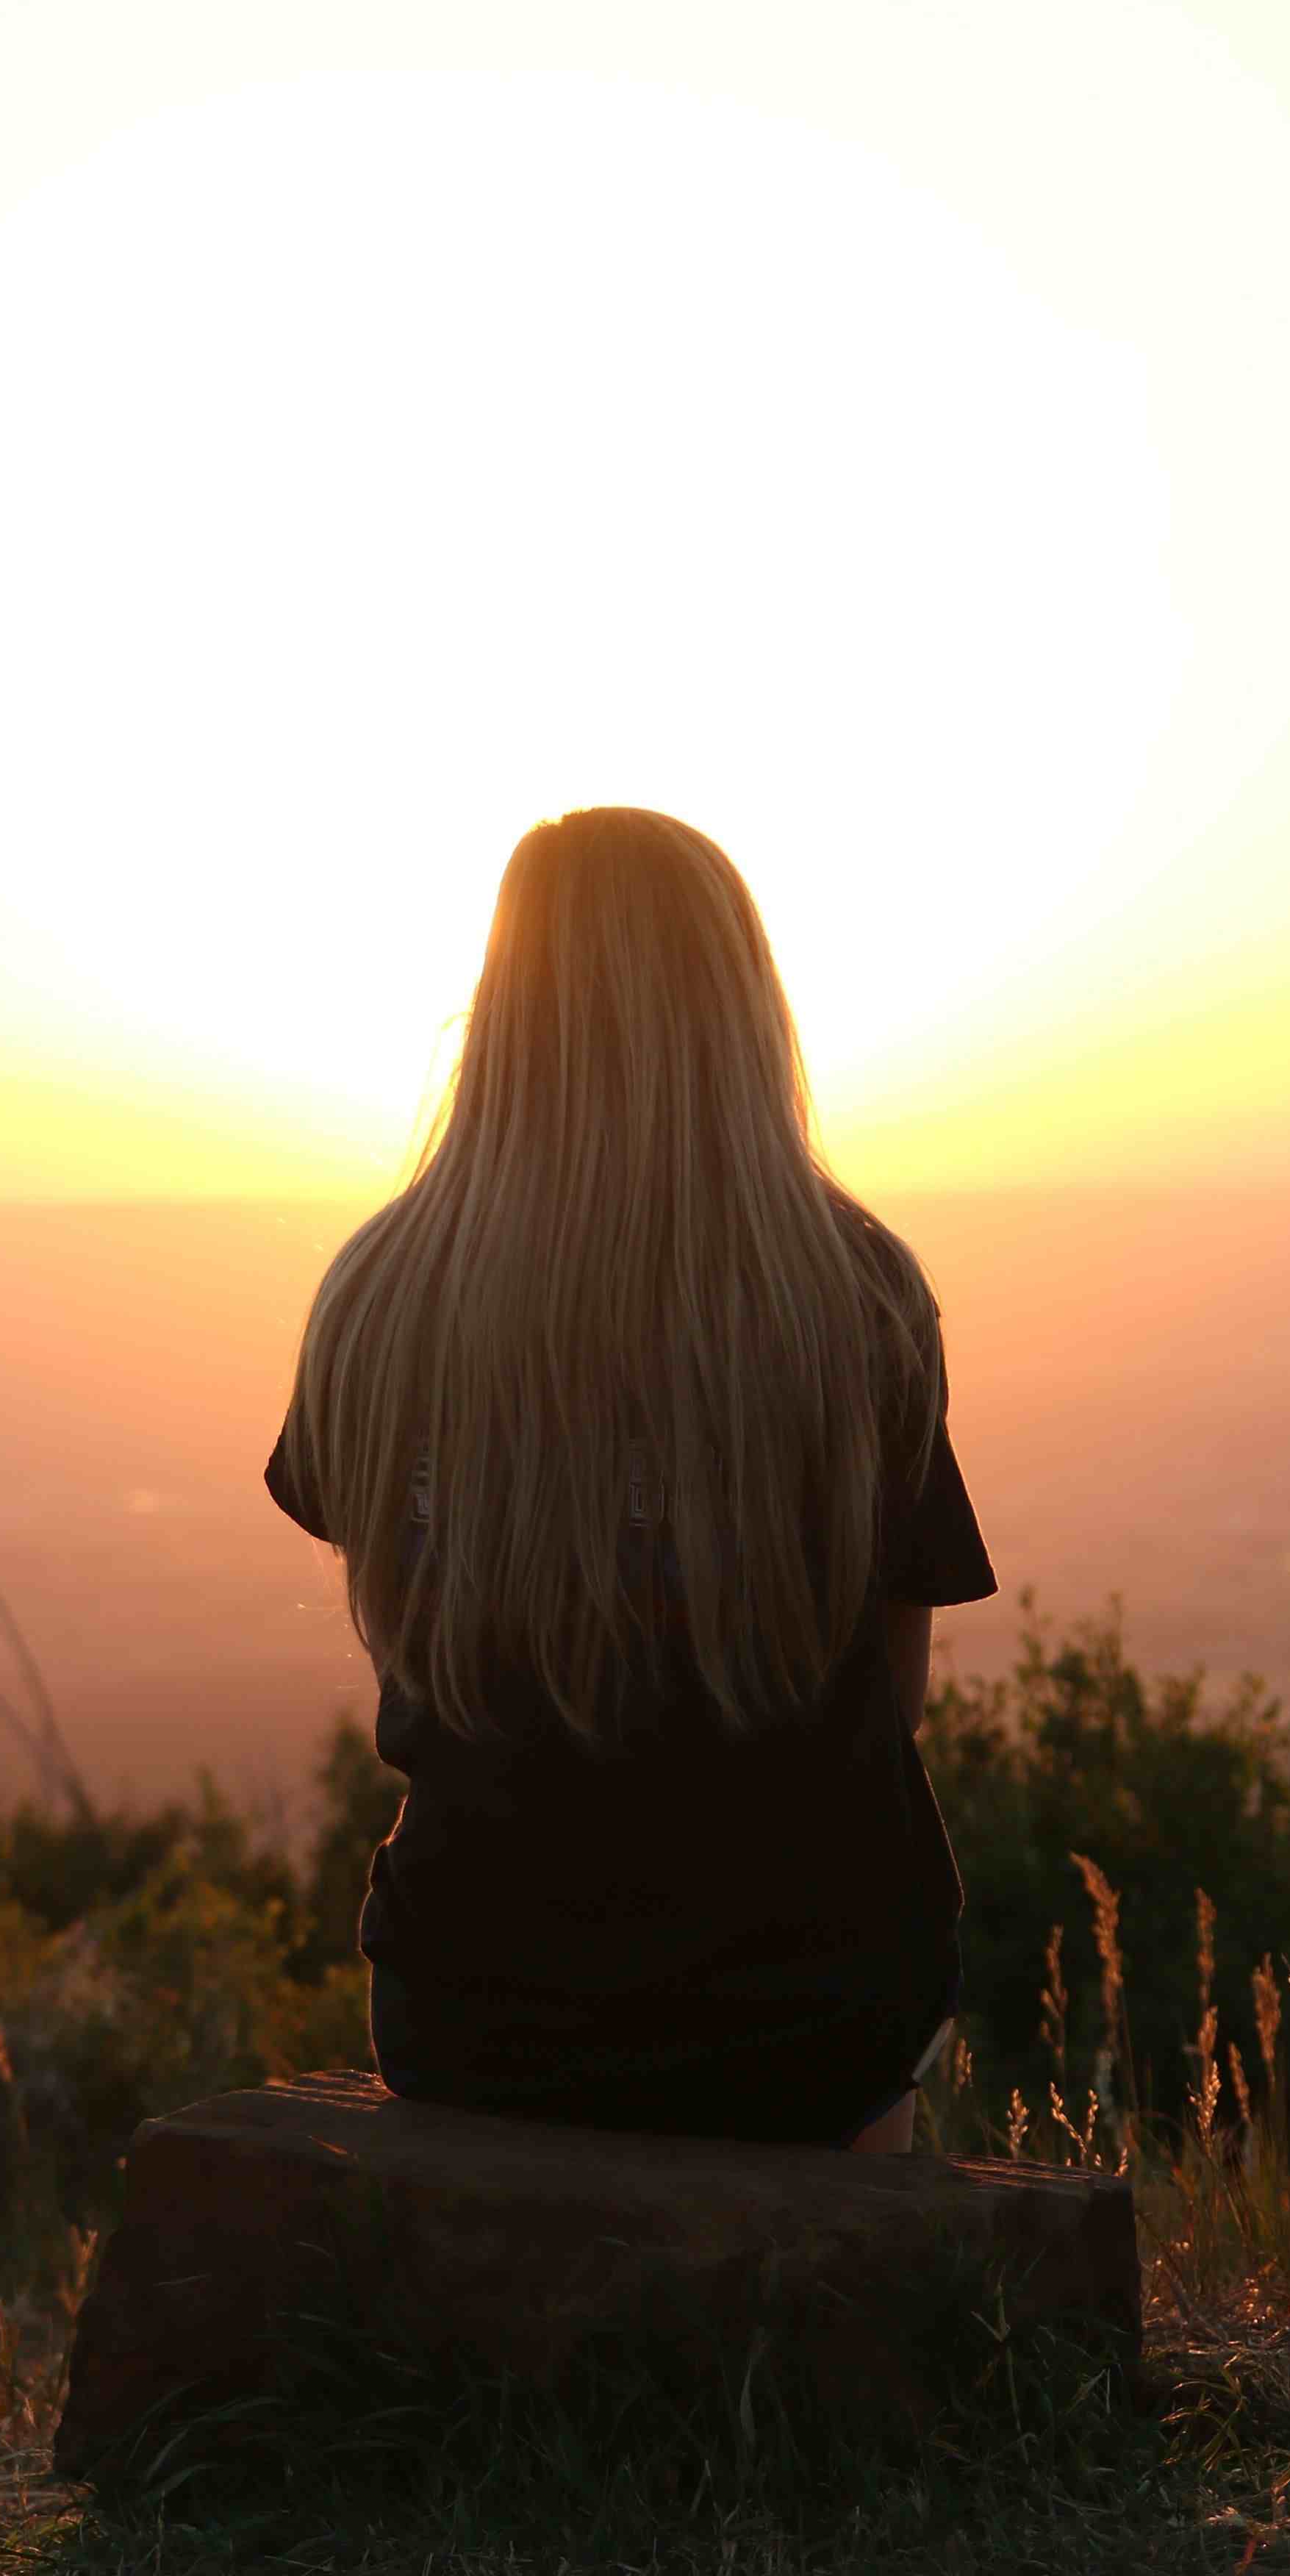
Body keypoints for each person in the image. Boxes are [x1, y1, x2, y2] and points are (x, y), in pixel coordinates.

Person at [264, 806, 995, 2154]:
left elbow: (408, 1636)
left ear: (501, 1008)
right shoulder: (859, 1300)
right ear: (742, 1012)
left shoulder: (377, 1299)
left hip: (478, 2014)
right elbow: (893, 1705)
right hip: (808, 2022)